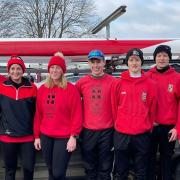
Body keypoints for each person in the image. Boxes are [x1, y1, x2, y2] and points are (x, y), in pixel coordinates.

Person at [34, 52, 83, 180]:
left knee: (58, 173)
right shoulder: (42, 90)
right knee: (50, 171)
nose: (55, 70)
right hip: (46, 136)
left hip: (64, 137)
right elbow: (38, 114)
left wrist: (74, 136)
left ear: (62, 71)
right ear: (49, 69)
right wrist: (37, 136)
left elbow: (77, 114)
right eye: (52, 67)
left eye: (58, 68)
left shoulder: (71, 90)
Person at [111, 48, 157, 180]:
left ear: (141, 62)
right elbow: (114, 107)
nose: (134, 63)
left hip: (142, 135)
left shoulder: (150, 84)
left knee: (141, 172)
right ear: (127, 63)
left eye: (137, 60)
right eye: (131, 60)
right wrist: (119, 125)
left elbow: (152, 109)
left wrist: (147, 126)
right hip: (122, 135)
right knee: (121, 172)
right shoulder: (118, 83)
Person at [76, 50, 115, 180]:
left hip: (107, 131)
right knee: (89, 167)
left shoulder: (113, 82)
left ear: (104, 62)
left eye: (99, 62)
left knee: (105, 167)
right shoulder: (81, 83)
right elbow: (73, 105)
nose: (96, 65)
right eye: (93, 62)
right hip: (88, 131)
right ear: (89, 63)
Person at [0, 56, 37, 180]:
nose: (15, 71)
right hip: (7, 137)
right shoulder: (1, 87)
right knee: (10, 171)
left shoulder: (32, 88)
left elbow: (36, 113)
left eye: (18, 68)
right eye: (12, 68)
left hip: (27, 137)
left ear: (23, 70)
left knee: (29, 169)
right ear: (8, 70)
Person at [147, 45, 180, 180]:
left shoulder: (177, 78)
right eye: (159, 55)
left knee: (166, 161)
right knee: (148, 160)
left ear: (169, 58)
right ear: (155, 58)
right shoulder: (146, 76)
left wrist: (178, 128)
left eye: (165, 56)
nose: (162, 58)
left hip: (169, 129)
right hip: (150, 127)